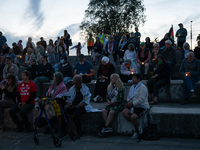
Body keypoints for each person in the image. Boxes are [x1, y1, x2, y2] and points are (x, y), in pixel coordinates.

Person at [122, 73, 149, 139]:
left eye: (134, 78)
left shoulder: (142, 87)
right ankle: (137, 124)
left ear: (138, 79)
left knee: (133, 117)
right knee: (124, 112)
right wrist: (129, 101)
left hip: (141, 105)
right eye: (132, 78)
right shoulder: (132, 87)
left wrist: (132, 104)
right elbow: (128, 96)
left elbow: (141, 99)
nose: (133, 79)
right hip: (132, 104)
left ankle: (136, 131)